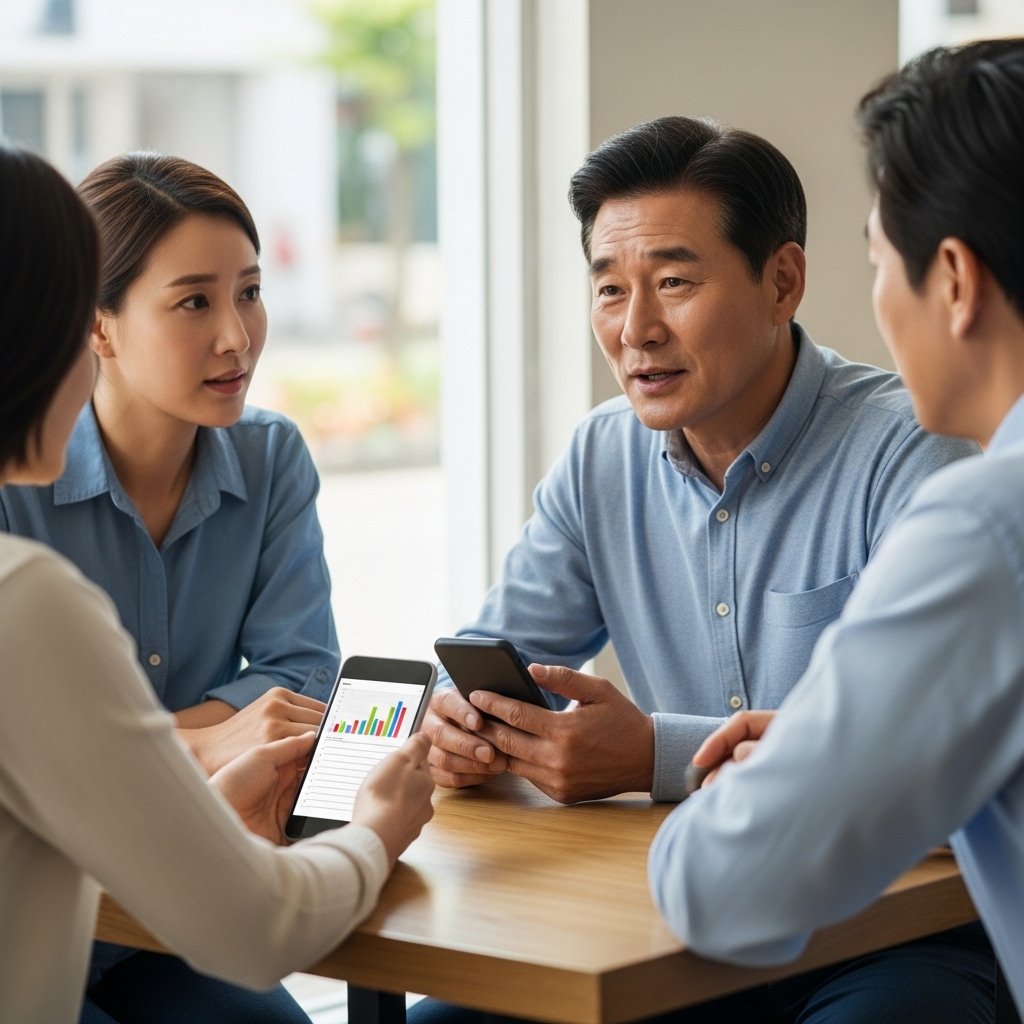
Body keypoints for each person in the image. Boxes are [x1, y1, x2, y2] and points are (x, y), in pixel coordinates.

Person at [414, 118, 988, 1023]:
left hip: (890, 928)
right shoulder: (602, 458)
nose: (635, 329)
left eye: (674, 283)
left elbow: (926, 763)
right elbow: (489, 657)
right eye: (610, 289)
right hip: (683, 925)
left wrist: (655, 753)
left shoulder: (912, 455)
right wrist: (462, 725)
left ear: (782, 281)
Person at [0, 143, 435, 1024]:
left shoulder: (269, 455)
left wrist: (158, 767)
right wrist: (371, 825)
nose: (236, 337)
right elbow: (257, 926)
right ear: (92, 329)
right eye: (194, 301)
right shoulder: (27, 591)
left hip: (155, 919)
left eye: (251, 291)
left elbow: (302, 674)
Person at [648, 37, 1024, 1021]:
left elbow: (719, 887)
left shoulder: (985, 523)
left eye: (876, 261)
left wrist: (794, 768)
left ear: (953, 279)